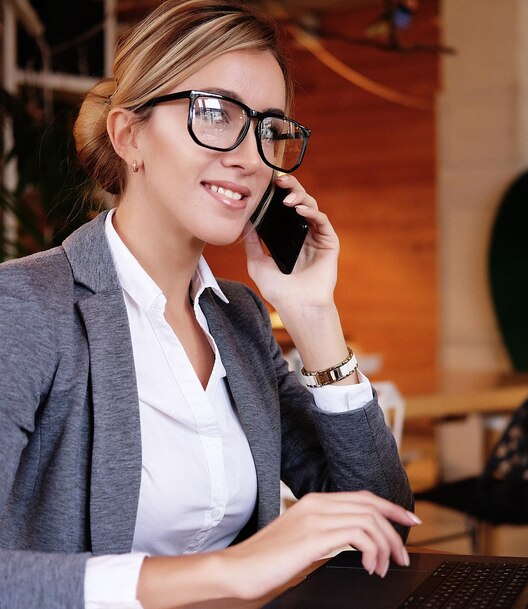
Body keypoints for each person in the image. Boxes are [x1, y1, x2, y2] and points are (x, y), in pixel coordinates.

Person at [0, 1, 416, 608]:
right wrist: (228, 572)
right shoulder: (27, 308)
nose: (250, 156)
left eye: (269, 127)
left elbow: (385, 525)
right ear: (129, 135)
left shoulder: (240, 321)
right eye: (216, 113)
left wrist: (313, 314)